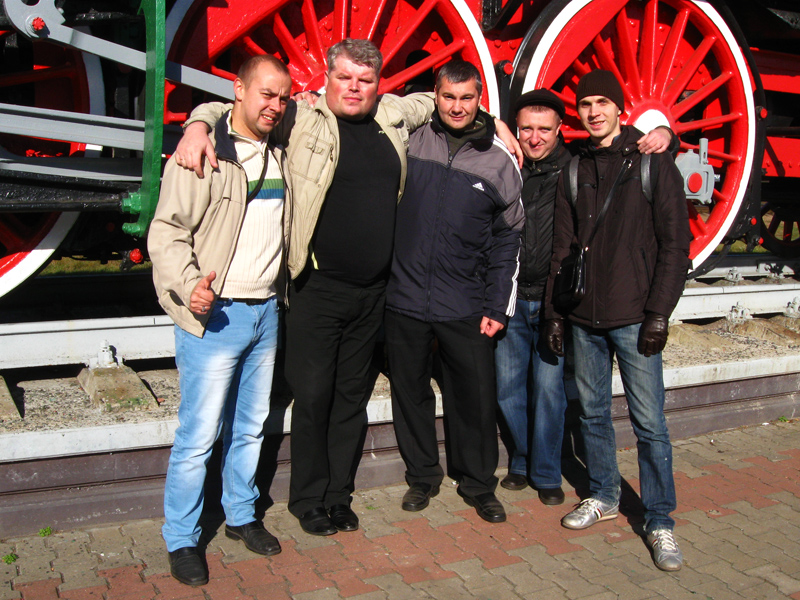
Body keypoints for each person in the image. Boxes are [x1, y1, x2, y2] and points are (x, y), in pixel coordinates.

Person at [173, 43, 523, 536]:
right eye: (345, 78)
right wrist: (197, 124)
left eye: (365, 80)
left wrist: (495, 123)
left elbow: (447, 100)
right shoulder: (302, 118)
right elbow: (242, 106)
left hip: (374, 294)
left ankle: (339, 496)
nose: (355, 88)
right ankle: (308, 499)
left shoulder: (391, 115)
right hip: (317, 289)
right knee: (313, 396)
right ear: (327, 78)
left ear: (379, 84)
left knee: (351, 399)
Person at [148, 55, 292, 587]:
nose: (275, 105)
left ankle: (240, 514)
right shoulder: (202, 154)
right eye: (266, 94)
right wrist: (190, 286)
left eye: (283, 97)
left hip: (266, 311)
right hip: (217, 315)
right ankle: (182, 538)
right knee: (199, 436)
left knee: (250, 427)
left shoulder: (281, 145)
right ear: (238, 90)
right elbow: (167, 232)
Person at [543, 70, 691, 571]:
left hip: (634, 316)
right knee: (592, 414)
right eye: (585, 104)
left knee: (650, 423)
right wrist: (555, 315)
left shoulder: (653, 164)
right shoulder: (572, 169)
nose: (593, 111)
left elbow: (675, 246)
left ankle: (659, 519)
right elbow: (561, 250)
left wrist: (659, 314)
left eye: (602, 102)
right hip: (584, 317)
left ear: (619, 109)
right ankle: (605, 494)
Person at [496, 90, 674, 505]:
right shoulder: (508, 162)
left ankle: (546, 472)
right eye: (526, 129)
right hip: (512, 296)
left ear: (561, 129)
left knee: (549, 391)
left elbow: (620, 143)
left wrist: (667, 133)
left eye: (544, 129)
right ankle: (522, 460)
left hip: (557, 298)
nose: (535, 138)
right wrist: (495, 125)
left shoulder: (574, 164)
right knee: (507, 389)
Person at [384, 60, 523, 524]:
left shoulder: (499, 160)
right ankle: (423, 476)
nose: (457, 107)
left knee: (474, 396)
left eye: (467, 98)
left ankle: (478, 482)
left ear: (480, 99)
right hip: (405, 297)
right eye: (448, 97)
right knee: (410, 392)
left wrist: (497, 304)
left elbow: (509, 238)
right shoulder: (410, 141)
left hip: (465, 300)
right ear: (435, 96)